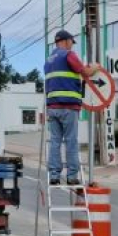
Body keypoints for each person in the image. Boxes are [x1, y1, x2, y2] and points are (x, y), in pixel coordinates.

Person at [44, 29, 100, 186]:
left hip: (52, 107)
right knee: (71, 141)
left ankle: (54, 175)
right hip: (68, 106)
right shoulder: (68, 55)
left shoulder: (48, 61)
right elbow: (85, 72)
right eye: (71, 42)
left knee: (55, 141)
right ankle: (71, 176)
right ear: (65, 41)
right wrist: (96, 67)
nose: (72, 46)